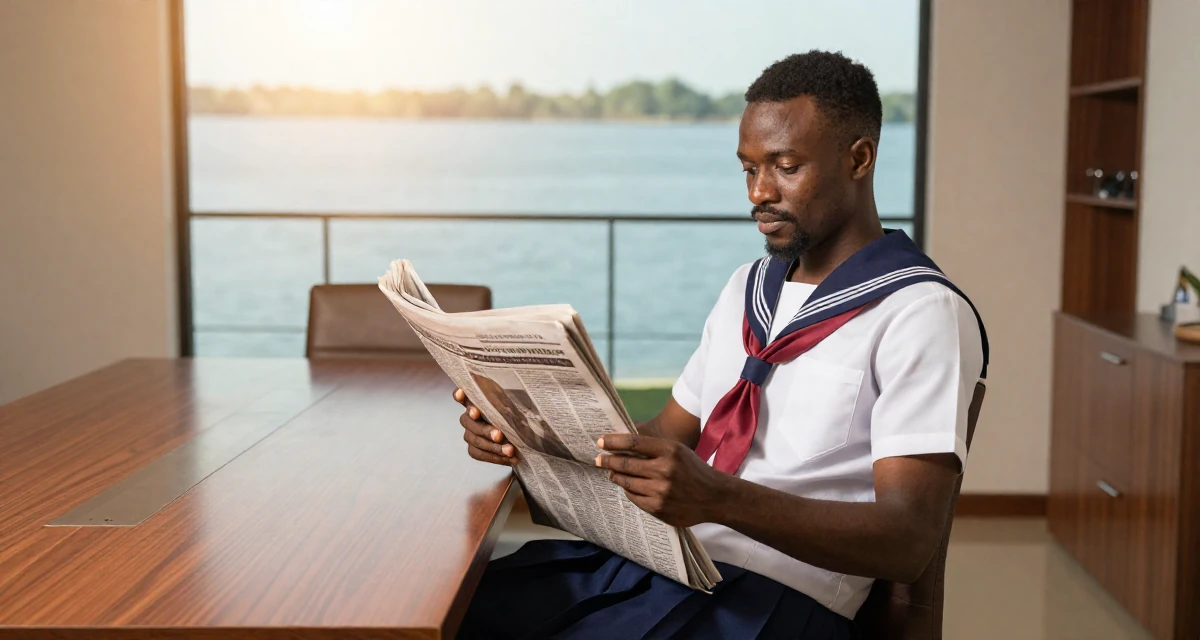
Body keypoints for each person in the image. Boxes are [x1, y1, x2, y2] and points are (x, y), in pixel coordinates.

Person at [453, 50, 988, 640]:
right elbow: (662, 439)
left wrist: (720, 500)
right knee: (448, 607)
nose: (760, 192)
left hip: (778, 601)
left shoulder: (920, 311)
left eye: (786, 166)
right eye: (748, 169)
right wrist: (527, 438)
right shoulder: (746, 288)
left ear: (858, 159)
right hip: (667, 563)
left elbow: (907, 541)